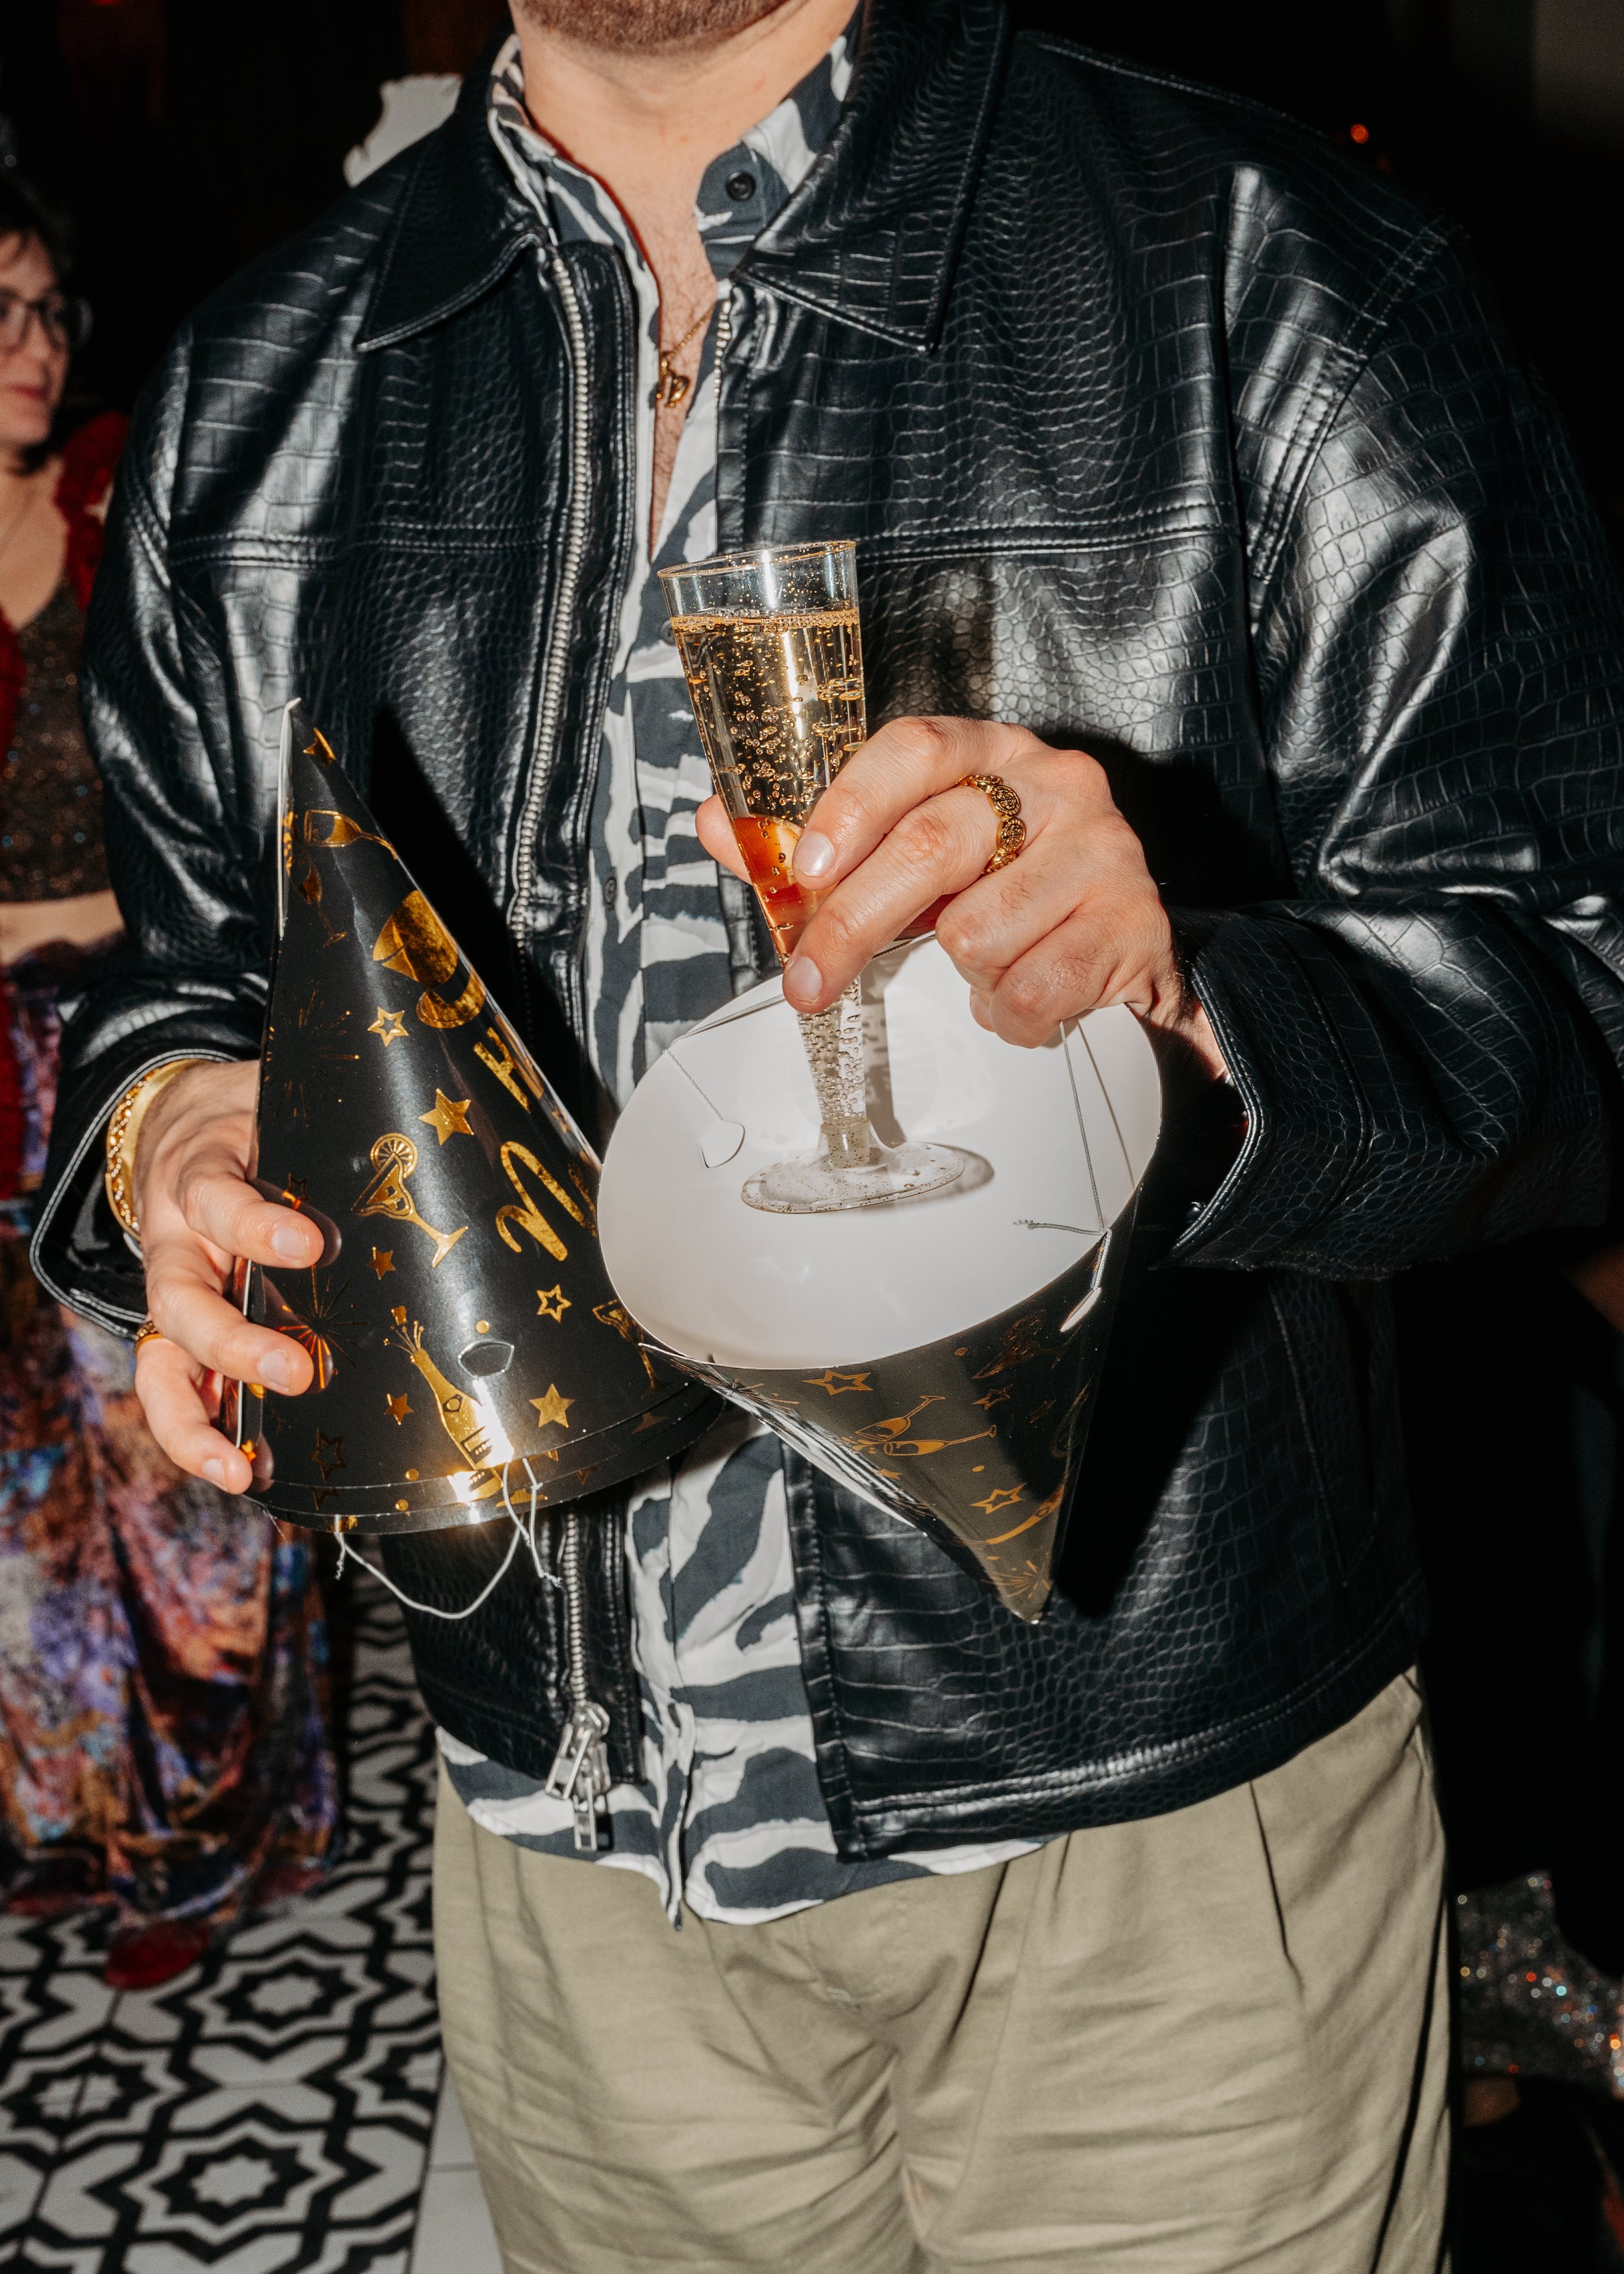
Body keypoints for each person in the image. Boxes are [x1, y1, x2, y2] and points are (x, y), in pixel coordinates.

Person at [29, 0, 1624, 2261]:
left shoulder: (1271, 273)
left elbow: (1581, 984)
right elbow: (180, 974)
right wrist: (176, 1123)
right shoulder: (259, 391)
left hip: (1152, 1842)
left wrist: (1188, 987)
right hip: (573, 1884)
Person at [0, 172, 339, 1991]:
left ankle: (212, 1832)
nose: (36, 346)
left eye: (49, 308)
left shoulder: (136, 489)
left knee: (186, 1467)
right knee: (29, 1496)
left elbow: (222, 818)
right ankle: (72, 1817)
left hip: (140, 1049)